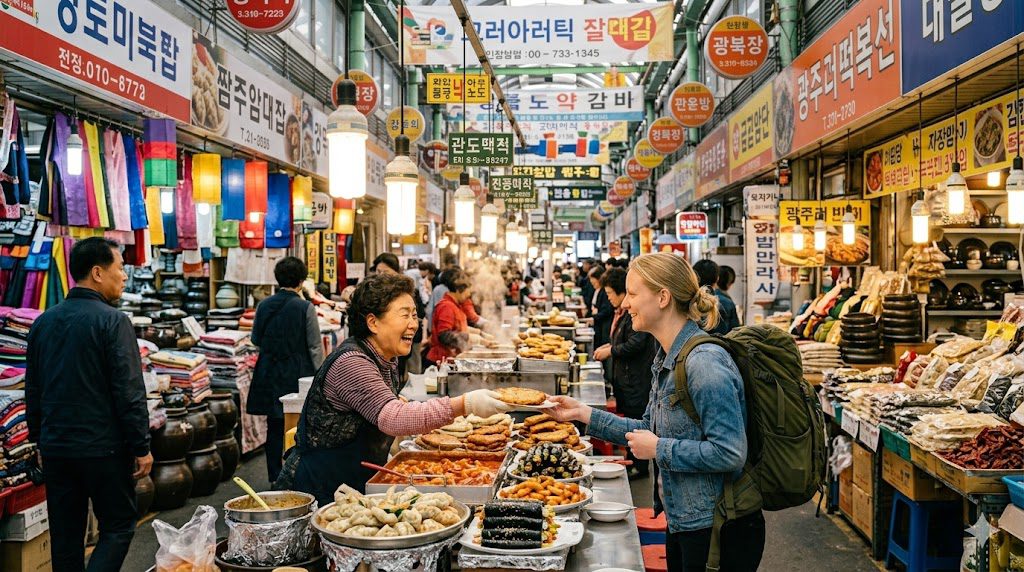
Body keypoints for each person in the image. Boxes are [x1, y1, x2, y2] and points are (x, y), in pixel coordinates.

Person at [546, 253, 763, 572]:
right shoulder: (666, 357)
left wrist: (659, 448)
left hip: (719, 527)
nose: (625, 304)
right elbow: (648, 427)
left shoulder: (704, 363)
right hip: (684, 518)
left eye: (633, 294)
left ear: (663, 297)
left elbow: (730, 453)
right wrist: (582, 413)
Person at [276, 273, 511, 504]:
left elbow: (377, 407)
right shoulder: (352, 363)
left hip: (357, 481)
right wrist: (465, 404)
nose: (414, 324)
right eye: (405, 315)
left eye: (415, 315)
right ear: (373, 322)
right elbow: (393, 418)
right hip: (319, 487)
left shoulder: (386, 358)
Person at [26, 237, 151, 572]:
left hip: (56, 448)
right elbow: (129, 390)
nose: (124, 276)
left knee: (66, 536)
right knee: (118, 525)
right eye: (119, 268)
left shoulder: (43, 322)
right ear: (97, 272)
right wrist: (141, 446)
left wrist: (38, 439)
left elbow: (33, 389)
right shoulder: (113, 321)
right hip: (103, 448)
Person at [249, 256, 326, 483]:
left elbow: (255, 339)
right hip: (298, 373)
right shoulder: (305, 307)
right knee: (300, 424)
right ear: (301, 281)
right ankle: (297, 474)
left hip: (269, 370)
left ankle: (274, 476)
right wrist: (320, 378)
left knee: (274, 425)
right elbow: (314, 347)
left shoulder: (263, 305)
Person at [592, 267, 657, 479]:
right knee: (631, 421)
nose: (626, 302)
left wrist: (611, 350)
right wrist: (609, 346)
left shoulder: (635, 317)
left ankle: (639, 466)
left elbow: (635, 343)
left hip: (636, 381)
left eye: (633, 295)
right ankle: (632, 461)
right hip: (625, 380)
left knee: (637, 421)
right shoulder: (622, 314)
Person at [427, 269, 478, 366]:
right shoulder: (446, 307)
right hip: (441, 361)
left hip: (451, 358)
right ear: (458, 291)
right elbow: (444, 335)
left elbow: (458, 327)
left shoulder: (456, 305)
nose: (468, 297)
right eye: (467, 294)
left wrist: (480, 334)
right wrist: (469, 337)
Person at [693, 259, 740, 335]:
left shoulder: (687, 301)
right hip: (721, 342)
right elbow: (735, 334)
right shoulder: (727, 303)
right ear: (717, 278)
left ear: (693, 277)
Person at [590, 266, 613, 348]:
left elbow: (607, 310)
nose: (591, 282)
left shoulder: (604, 291)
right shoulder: (597, 290)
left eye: (593, 281)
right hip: (599, 325)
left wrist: (595, 315)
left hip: (603, 327)